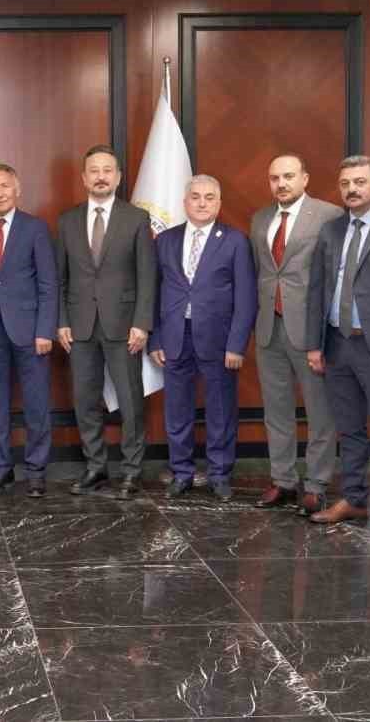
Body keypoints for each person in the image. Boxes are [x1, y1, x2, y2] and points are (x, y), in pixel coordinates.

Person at [306, 155, 370, 540]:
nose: (352, 189)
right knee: (349, 429)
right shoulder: (330, 231)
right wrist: (314, 344)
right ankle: (354, 498)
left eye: (360, 182)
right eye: (346, 183)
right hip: (336, 342)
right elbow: (318, 289)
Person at [56, 144, 156, 500]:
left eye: (107, 170)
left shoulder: (136, 218)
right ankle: (95, 467)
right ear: (84, 178)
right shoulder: (67, 221)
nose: (101, 177)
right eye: (94, 171)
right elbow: (60, 278)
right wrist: (62, 321)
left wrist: (142, 323)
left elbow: (147, 276)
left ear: (118, 177)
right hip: (79, 326)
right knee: (85, 400)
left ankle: (131, 470)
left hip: (124, 325)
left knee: (130, 400)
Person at [149, 175, 256, 500]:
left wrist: (237, 344)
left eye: (210, 197)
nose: (202, 203)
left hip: (219, 341)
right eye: (195, 196)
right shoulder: (165, 240)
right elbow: (154, 293)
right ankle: (181, 473)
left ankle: (219, 474)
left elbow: (246, 297)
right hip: (174, 337)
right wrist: (155, 339)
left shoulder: (235, 241)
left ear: (219, 204)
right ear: (185, 202)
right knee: (177, 410)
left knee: (220, 410)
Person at [249, 154, 343, 514]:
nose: (281, 183)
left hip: (310, 330)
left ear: (305, 178)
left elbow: (334, 275)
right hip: (269, 328)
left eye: (288, 176)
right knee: (276, 411)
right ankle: (283, 480)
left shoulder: (329, 215)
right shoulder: (260, 218)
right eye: (275, 178)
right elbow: (262, 272)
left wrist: (325, 332)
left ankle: (316, 484)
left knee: (320, 412)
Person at [0, 164, 57, 498]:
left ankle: (36, 471)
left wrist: (45, 330)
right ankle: (0, 469)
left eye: (4, 186)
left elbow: (48, 283)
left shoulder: (35, 228)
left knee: (36, 403)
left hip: (31, 332)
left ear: (17, 190)